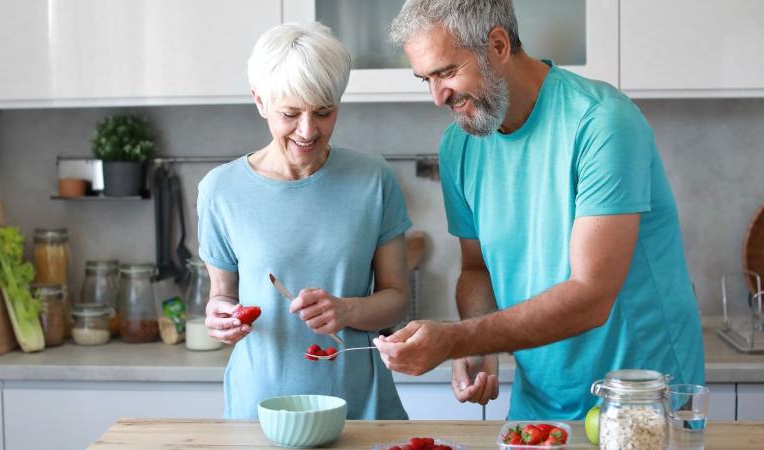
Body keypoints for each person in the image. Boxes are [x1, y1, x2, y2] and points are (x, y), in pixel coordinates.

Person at [374, 0, 705, 420]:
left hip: (642, 399)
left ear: (497, 45)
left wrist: (457, 339)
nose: (438, 97)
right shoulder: (459, 147)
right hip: (541, 401)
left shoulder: (602, 123)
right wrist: (480, 344)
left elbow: (591, 296)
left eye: (447, 72)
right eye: (426, 79)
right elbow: (476, 269)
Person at [198, 22, 412, 420]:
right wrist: (221, 317)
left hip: (359, 411)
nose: (308, 130)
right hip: (260, 414)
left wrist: (347, 311)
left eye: (324, 112)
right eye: (290, 113)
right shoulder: (220, 190)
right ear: (260, 102)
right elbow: (221, 295)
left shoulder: (373, 180)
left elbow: (397, 298)